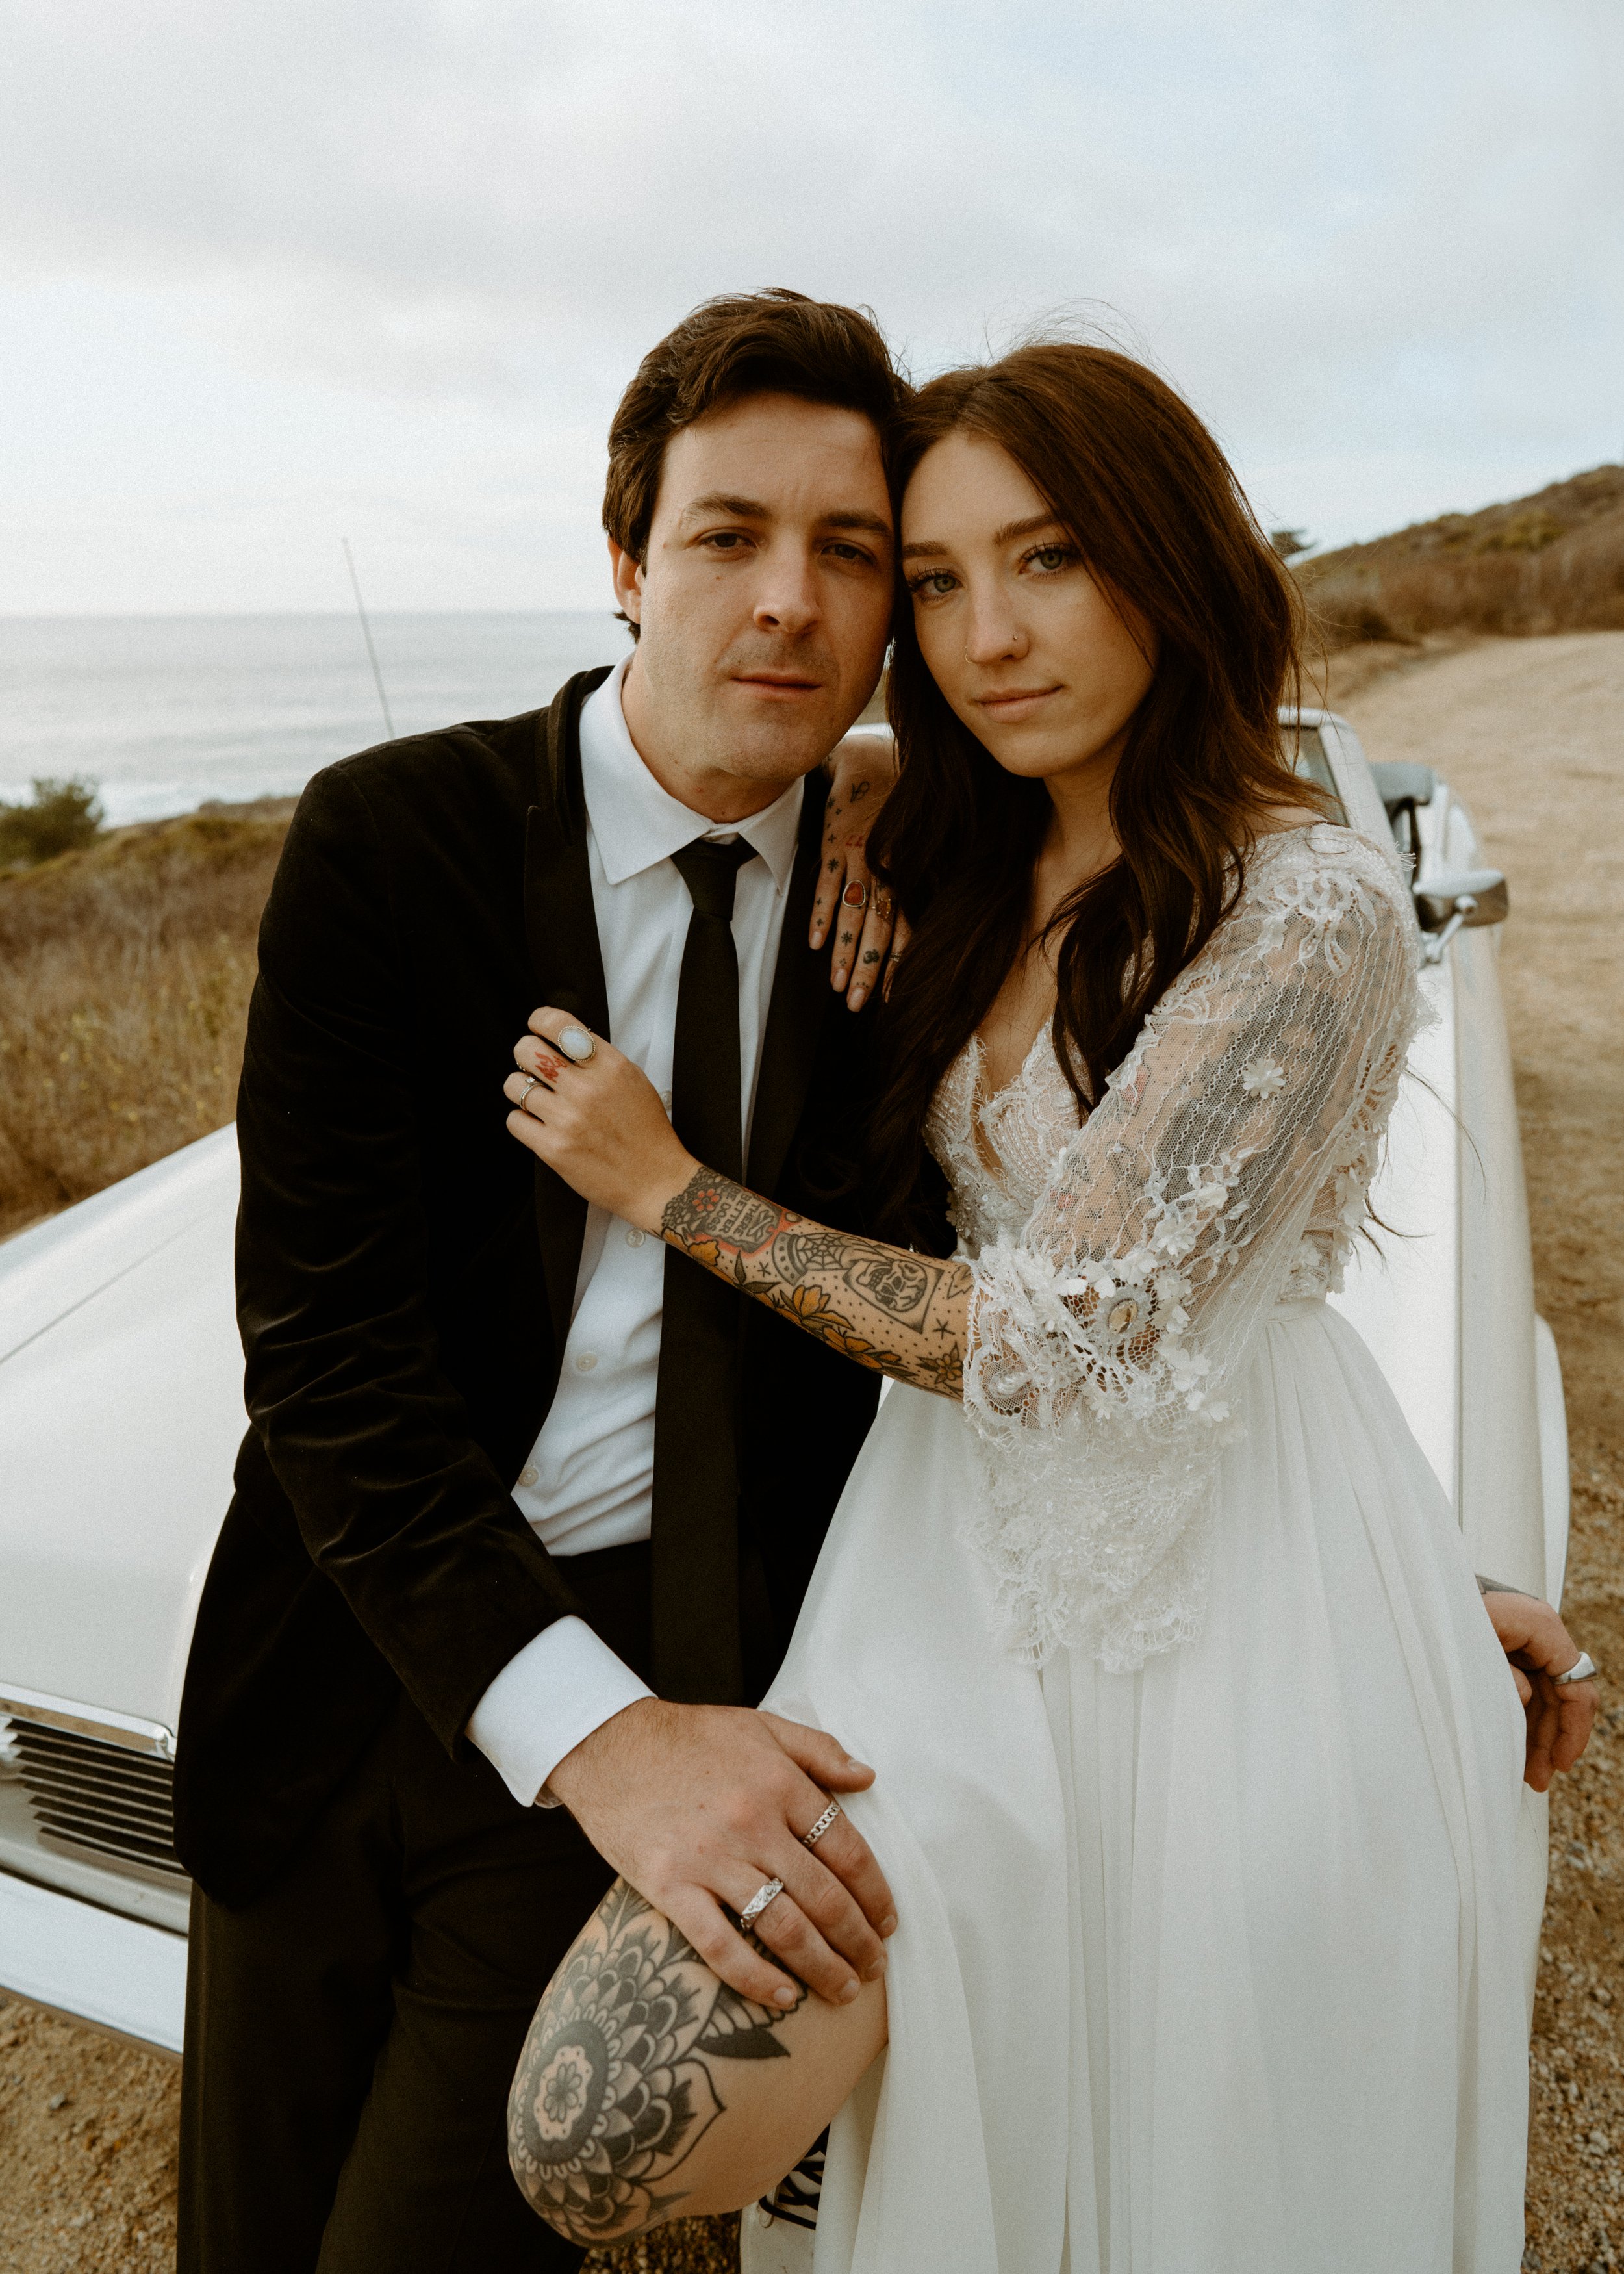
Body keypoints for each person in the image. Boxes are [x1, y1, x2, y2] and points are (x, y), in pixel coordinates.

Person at [501, 340, 1600, 2271]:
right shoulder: (949, 841)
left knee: (1201, 2149)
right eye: (931, 581)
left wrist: (669, 1188)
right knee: (599, 2122)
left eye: (1050, 559)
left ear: (1166, 561)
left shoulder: (1311, 903)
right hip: (928, 1571)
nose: (984, 633)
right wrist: (844, 777)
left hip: (1237, 1614)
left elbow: (1058, 1335)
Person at [171, 288, 924, 2273]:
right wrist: (587, 1725)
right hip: (350, 1655)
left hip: (670, 1693)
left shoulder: (911, 905)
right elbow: (321, 1357)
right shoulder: (388, 841)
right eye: (727, 535)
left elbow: (1056, 1295)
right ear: (623, 559)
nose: (786, 599)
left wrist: (1363, 1557)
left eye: (849, 552)